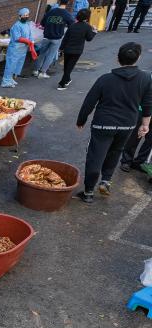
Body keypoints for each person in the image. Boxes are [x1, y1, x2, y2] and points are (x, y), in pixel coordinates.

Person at [75, 42, 152, 203]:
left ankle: (89, 192)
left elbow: (90, 101)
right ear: (138, 58)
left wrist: (81, 119)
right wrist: (145, 125)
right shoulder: (145, 78)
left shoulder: (105, 79)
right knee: (116, 151)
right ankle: (106, 181)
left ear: (118, 59)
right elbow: (147, 104)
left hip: (103, 123)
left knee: (96, 155)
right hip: (128, 124)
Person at [32, 0, 75, 79]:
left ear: (59, 2)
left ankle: (36, 70)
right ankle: (43, 72)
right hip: (57, 38)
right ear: (67, 3)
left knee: (42, 53)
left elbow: (42, 23)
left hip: (46, 36)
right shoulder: (67, 14)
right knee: (50, 55)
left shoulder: (51, 12)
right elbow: (72, 25)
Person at [58, 9, 97, 90]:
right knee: (69, 67)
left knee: (66, 66)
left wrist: (61, 48)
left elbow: (66, 38)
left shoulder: (72, 25)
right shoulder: (87, 27)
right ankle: (62, 84)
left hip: (67, 49)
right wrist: (94, 32)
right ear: (87, 17)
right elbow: (89, 39)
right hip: (77, 51)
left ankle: (67, 79)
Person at [2, 8, 38, 88]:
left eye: (27, 15)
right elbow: (17, 38)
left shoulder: (27, 25)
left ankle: (10, 78)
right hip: (15, 49)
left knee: (17, 64)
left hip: (22, 49)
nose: (26, 16)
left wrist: (31, 40)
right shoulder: (16, 25)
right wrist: (28, 41)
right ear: (20, 16)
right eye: (24, 15)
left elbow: (29, 34)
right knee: (11, 64)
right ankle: (5, 80)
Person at [121, 106, 152, 173]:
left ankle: (139, 162)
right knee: (135, 136)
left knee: (150, 141)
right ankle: (126, 160)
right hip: (145, 108)